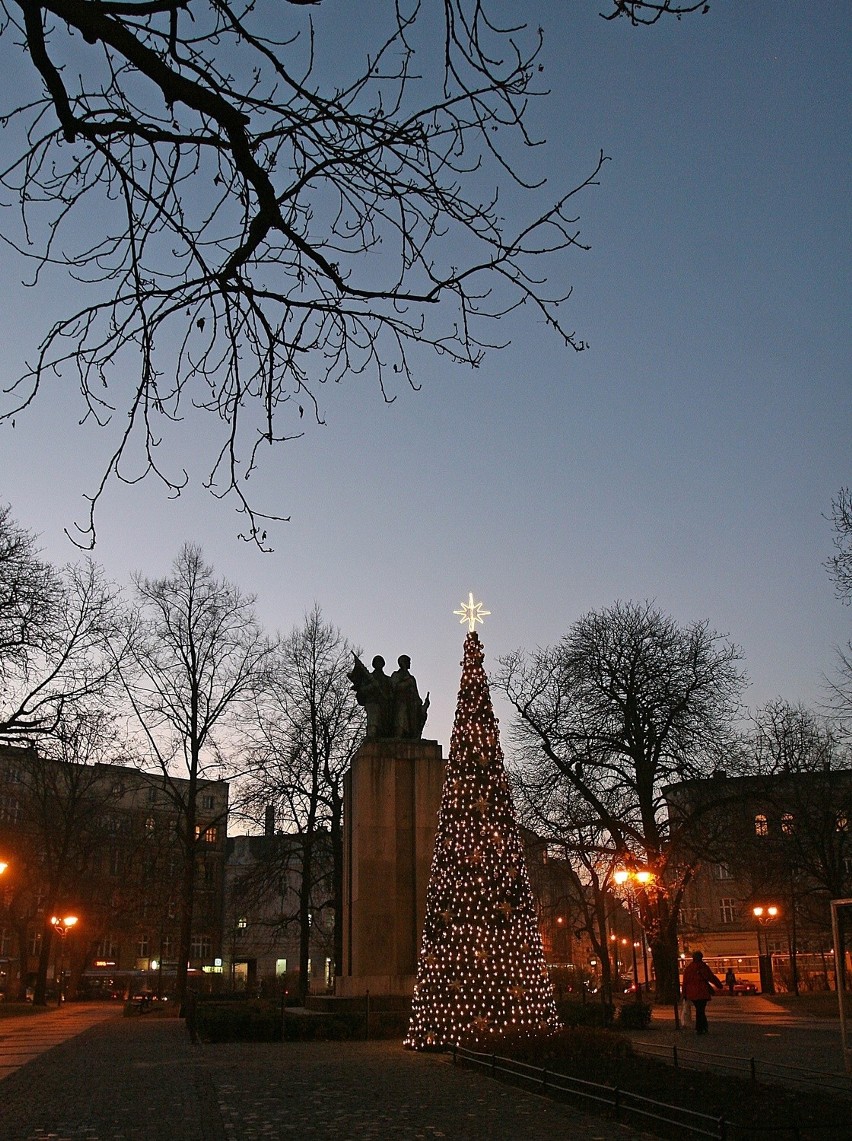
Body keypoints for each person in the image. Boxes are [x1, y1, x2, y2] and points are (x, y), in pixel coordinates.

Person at [681, 950, 723, 1035]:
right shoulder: (703, 967)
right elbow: (711, 977)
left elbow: (685, 982)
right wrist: (719, 985)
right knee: (701, 1010)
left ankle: (702, 1027)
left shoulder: (689, 968)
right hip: (703, 992)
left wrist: (684, 994)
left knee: (699, 1010)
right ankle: (701, 1027)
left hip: (692, 993)